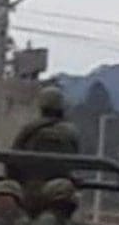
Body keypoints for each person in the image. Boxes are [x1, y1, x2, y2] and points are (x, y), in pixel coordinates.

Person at [9, 86, 81, 215]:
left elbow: (12, 161)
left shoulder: (28, 130)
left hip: (31, 195)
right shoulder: (71, 133)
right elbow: (75, 162)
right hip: (61, 196)